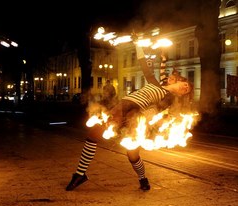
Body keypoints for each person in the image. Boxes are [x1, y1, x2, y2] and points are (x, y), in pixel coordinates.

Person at [66, 43, 192, 191]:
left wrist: (140, 120)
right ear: (177, 81)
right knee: (94, 134)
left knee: (132, 152)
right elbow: (143, 62)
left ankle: (142, 178)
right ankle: (80, 174)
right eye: (186, 84)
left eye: (187, 89)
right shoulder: (155, 82)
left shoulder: (169, 97)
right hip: (122, 106)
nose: (186, 88)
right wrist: (138, 44)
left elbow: (157, 109)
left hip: (135, 113)